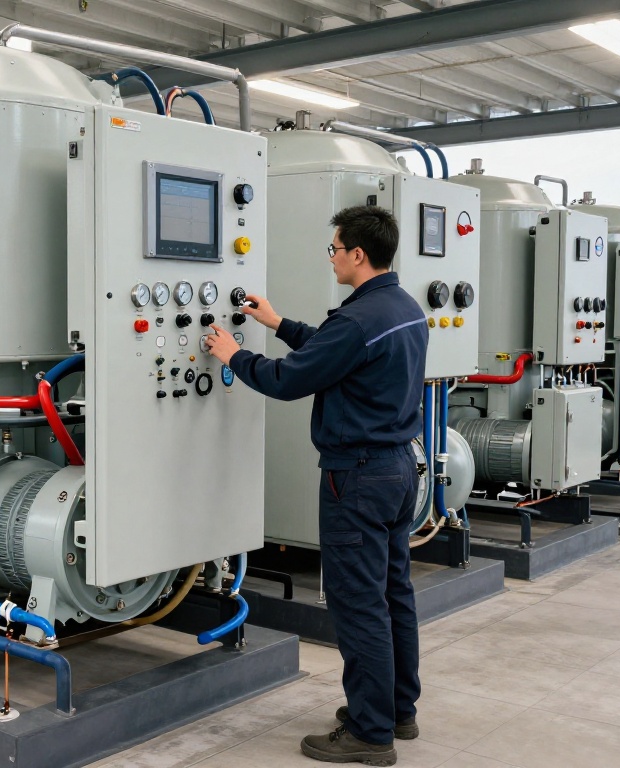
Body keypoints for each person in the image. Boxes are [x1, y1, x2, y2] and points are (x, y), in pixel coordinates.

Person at [204, 205, 428, 766]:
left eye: (335, 249)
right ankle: (398, 710)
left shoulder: (358, 319)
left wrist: (236, 355)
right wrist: (278, 323)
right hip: (400, 469)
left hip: (358, 477)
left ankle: (369, 733)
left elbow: (289, 379)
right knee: (393, 592)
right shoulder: (403, 308)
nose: (331, 259)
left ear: (358, 254)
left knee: (358, 605)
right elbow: (335, 350)